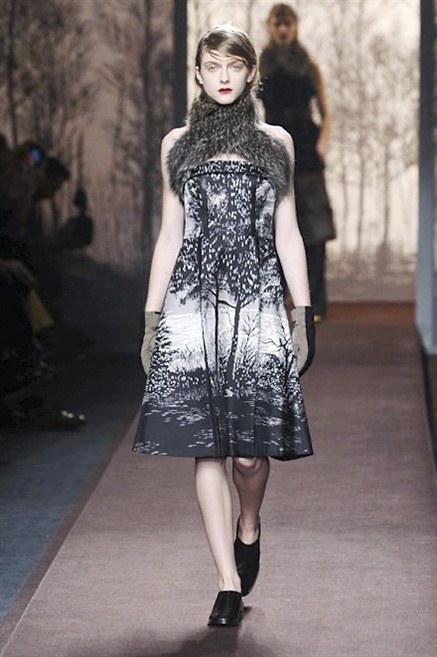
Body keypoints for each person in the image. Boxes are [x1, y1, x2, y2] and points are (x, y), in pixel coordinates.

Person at [133, 24, 315, 627]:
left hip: (258, 306)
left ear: (251, 72)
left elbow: (288, 232)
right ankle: (226, 583)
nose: (224, 77)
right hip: (192, 308)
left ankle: (249, 524)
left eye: (234, 65)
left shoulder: (276, 143)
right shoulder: (177, 144)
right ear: (198, 74)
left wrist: (302, 313)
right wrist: (152, 318)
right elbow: (170, 236)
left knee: (249, 458)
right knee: (206, 447)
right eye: (212, 66)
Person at [259, 3, 335, 321]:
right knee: (271, 224)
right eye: (277, 24)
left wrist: (320, 145)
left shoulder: (309, 66)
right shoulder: (260, 66)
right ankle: (273, 300)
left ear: (295, 26)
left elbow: (326, 111)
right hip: (272, 150)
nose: (282, 30)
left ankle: (314, 303)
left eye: (287, 24)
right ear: (269, 26)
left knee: (314, 227)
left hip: (305, 150)